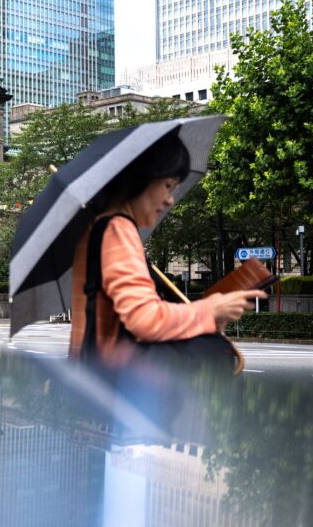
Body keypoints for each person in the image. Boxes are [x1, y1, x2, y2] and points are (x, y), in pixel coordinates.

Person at [69, 132, 265, 366]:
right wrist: (210, 310)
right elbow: (145, 319)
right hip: (120, 385)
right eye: (168, 186)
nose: (170, 200)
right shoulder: (118, 230)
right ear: (140, 180)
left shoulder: (100, 228)